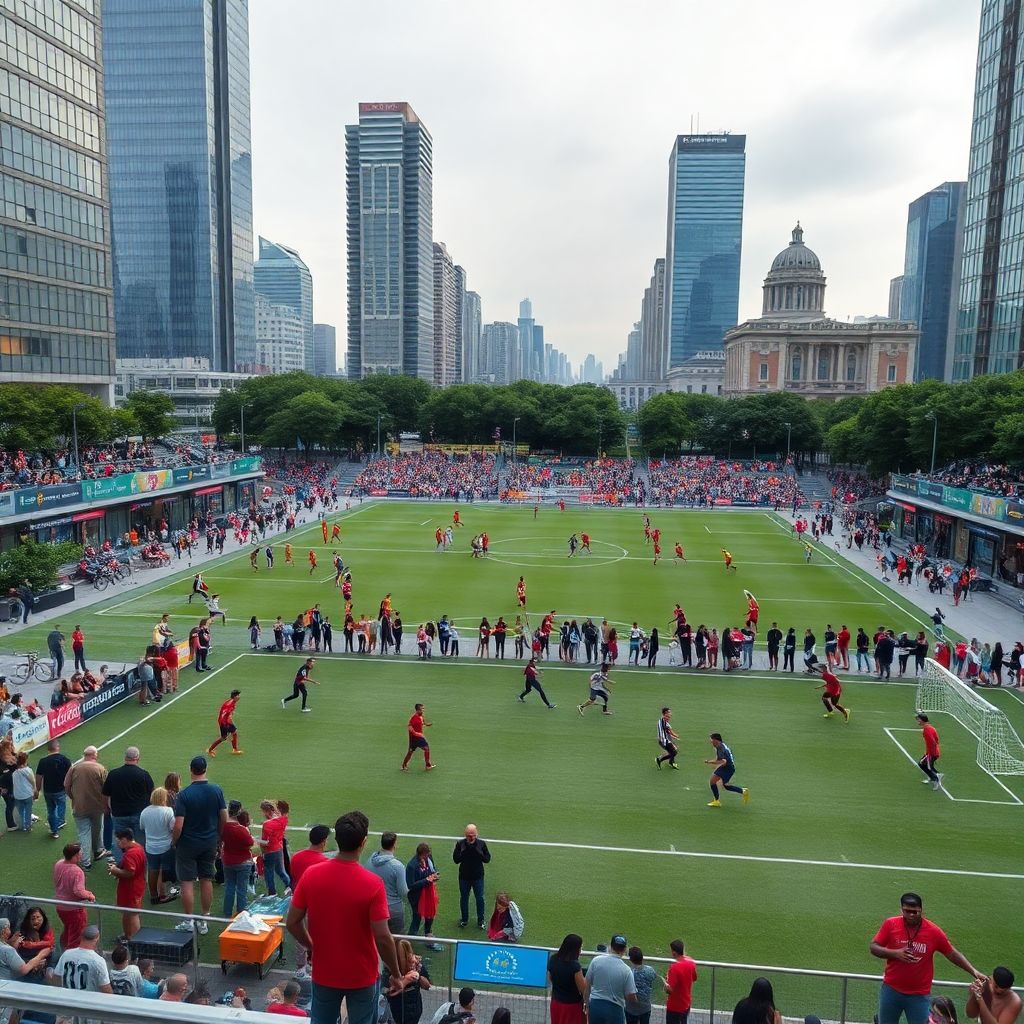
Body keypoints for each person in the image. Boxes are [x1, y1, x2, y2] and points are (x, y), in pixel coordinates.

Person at [286, 810, 408, 1024]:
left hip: (325, 972)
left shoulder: (312, 874)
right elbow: (382, 937)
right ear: (364, 842)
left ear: (336, 840)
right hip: (362, 975)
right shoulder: (372, 884)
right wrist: (396, 974)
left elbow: (293, 922)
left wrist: (311, 946)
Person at [870, 891, 985, 1024]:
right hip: (891, 990)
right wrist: (895, 953)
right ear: (901, 909)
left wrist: (973, 971)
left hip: (918, 995)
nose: (911, 915)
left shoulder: (933, 931)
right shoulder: (890, 924)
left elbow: (952, 953)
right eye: (907, 911)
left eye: (915, 911)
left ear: (921, 910)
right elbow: (874, 947)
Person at [172, 754, 227, 934]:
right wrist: (219, 837)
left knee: (186, 882)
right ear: (205, 769)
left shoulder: (184, 795)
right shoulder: (216, 790)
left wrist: (174, 841)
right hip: (209, 841)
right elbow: (223, 817)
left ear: (191, 770)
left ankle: (189, 920)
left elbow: (178, 824)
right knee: (206, 878)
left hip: (187, 843)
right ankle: (205, 919)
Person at [102, 746, 154, 865]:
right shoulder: (144, 774)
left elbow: (105, 794)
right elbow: (152, 794)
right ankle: (140, 864)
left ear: (125, 757)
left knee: (119, 840)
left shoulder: (114, 774)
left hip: (119, 814)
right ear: (138, 758)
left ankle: (122, 865)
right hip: (139, 814)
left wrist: (106, 809)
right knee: (140, 841)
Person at [64, 745, 108, 869]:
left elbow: (66, 786)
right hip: (97, 807)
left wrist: (73, 797)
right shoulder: (100, 768)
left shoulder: (74, 768)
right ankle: (98, 851)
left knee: (84, 833)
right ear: (95, 755)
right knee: (97, 829)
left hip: (79, 806)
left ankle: (85, 862)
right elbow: (106, 788)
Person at [585, 933, 638, 1024]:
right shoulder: (626, 970)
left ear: (610, 946)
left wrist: (586, 1003)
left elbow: (587, 983)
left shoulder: (596, 960)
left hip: (595, 1006)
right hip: (615, 1009)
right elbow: (631, 996)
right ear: (625, 949)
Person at [139, 787, 178, 905]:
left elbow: (142, 827)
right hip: (166, 846)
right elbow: (173, 827)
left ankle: (154, 895)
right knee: (164, 872)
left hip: (151, 846)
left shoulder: (145, 811)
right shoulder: (168, 811)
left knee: (153, 870)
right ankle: (163, 893)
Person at [53, 842, 95, 949]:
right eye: (80, 853)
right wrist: (89, 895)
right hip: (74, 909)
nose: (82, 855)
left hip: (60, 906)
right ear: (75, 855)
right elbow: (78, 891)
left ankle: (62, 949)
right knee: (76, 937)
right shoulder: (77, 871)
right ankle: (70, 957)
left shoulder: (59, 864)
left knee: (68, 929)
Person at [366, 831, 409, 934]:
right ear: (394, 844)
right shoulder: (398, 866)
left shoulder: (369, 861)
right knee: (396, 938)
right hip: (394, 909)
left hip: (374, 907)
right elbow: (403, 892)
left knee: (376, 937)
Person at [108, 827, 147, 939]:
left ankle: (136, 941)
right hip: (136, 886)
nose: (118, 843)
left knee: (133, 913)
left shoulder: (130, 854)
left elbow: (130, 873)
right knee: (127, 912)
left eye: (118, 841)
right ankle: (128, 935)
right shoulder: (138, 847)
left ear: (124, 839)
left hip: (131, 889)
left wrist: (115, 871)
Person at [53, 923, 111, 996]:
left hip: (67, 1000)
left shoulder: (66, 954)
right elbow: (106, 988)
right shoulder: (99, 961)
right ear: (97, 939)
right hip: (87, 1003)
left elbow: (56, 978)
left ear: (81, 937)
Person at [453, 823, 491, 929]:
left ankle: (481, 920)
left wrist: (478, 852)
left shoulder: (481, 844)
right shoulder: (460, 844)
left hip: (478, 877)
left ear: (477, 834)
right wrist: (464, 852)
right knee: (464, 898)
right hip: (464, 877)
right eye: (469, 835)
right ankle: (464, 919)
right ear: (465, 834)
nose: (471, 837)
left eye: (473, 835)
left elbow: (487, 859)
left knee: (480, 899)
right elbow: (456, 860)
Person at [385, 939, 431, 1024]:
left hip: (415, 1011)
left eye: (410, 958)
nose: (411, 963)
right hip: (396, 1013)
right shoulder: (390, 969)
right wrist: (406, 979)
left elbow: (427, 986)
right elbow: (389, 993)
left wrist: (419, 977)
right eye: (405, 958)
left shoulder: (418, 967)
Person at [406, 842, 441, 948]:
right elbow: (411, 885)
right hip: (416, 896)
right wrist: (426, 880)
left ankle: (428, 937)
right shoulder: (412, 866)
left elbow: (432, 870)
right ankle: (409, 942)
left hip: (428, 893)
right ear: (421, 854)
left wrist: (434, 876)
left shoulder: (428, 858)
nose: (428, 857)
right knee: (417, 918)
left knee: (430, 915)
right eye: (426, 855)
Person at [35, 739, 72, 839]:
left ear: (48, 749)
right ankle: (59, 823)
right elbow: (71, 775)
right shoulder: (64, 759)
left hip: (48, 790)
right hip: (60, 789)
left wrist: (37, 790)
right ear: (58, 747)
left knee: (51, 810)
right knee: (61, 806)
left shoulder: (43, 761)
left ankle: (54, 830)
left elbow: (38, 776)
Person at [548, 933, 586, 1024]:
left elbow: (550, 978)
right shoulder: (575, 966)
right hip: (572, 1006)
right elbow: (583, 989)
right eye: (580, 948)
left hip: (556, 1003)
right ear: (575, 950)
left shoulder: (553, 959)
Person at [257, 799, 291, 897]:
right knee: (281, 871)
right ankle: (290, 887)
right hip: (279, 849)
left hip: (269, 851)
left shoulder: (267, 824)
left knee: (269, 873)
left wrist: (255, 841)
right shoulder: (283, 819)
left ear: (266, 811)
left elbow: (265, 842)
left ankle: (272, 893)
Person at [705, 733, 749, 807]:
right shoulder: (720, 746)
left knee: (725, 786)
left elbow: (723, 762)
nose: (711, 742)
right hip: (726, 767)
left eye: (711, 740)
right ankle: (717, 801)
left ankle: (743, 791)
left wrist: (710, 762)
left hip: (728, 769)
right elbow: (720, 759)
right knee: (713, 781)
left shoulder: (722, 749)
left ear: (716, 740)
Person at [664, 938, 698, 1024]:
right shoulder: (690, 961)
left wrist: (665, 984)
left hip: (675, 1007)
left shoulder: (674, 967)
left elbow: (670, 990)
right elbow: (694, 978)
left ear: (674, 952)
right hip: (686, 1003)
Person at [626, 947, 658, 1024]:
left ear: (630, 959)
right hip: (645, 1009)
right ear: (642, 958)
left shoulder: (628, 973)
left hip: (631, 1010)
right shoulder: (650, 970)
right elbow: (654, 980)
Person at [208, 689, 244, 756]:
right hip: (223, 722)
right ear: (234, 696)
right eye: (238, 695)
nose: (239, 696)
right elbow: (223, 716)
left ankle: (235, 749)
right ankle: (210, 750)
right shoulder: (229, 704)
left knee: (234, 733)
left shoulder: (233, 702)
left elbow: (229, 714)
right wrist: (225, 726)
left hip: (227, 721)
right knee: (223, 738)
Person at [401, 703, 436, 771]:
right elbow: (409, 727)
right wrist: (417, 734)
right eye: (422, 709)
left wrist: (427, 724)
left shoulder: (421, 716)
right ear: (417, 710)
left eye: (423, 709)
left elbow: (422, 722)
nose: (423, 710)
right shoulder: (414, 718)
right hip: (414, 738)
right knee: (410, 752)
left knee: (426, 748)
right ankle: (404, 765)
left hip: (419, 738)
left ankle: (428, 766)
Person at [916, 714, 944, 791]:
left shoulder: (927, 730)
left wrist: (930, 754)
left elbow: (932, 742)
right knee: (928, 766)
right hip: (932, 752)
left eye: (918, 720)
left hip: (931, 753)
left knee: (922, 764)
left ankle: (936, 778)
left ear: (922, 720)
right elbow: (936, 740)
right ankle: (934, 776)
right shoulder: (931, 728)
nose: (917, 721)